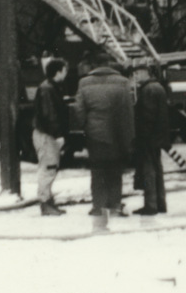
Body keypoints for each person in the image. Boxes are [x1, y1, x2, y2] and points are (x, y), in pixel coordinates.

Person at [73, 52, 135, 229]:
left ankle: (98, 206)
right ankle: (115, 205)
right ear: (110, 64)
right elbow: (127, 113)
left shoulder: (84, 82)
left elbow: (78, 110)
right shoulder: (122, 82)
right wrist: (128, 137)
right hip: (116, 134)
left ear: (94, 65)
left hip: (95, 135)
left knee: (97, 172)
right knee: (115, 171)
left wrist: (86, 127)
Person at [31, 58, 70, 216]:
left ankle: (48, 201)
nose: (66, 73)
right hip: (47, 135)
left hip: (46, 133)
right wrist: (58, 134)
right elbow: (50, 114)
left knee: (49, 167)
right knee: (48, 168)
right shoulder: (48, 89)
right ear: (58, 71)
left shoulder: (49, 87)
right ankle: (45, 203)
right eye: (64, 70)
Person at [132, 64, 172, 215]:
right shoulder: (158, 87)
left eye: (137, 74)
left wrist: (141, 138)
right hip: (158, 137)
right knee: (157, 169)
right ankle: (160, 203)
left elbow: (147, 116)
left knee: (149, 171)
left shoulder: (148, 90)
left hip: (148, 138)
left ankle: (151, 205)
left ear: (145, 73)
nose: (135, 77)